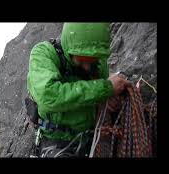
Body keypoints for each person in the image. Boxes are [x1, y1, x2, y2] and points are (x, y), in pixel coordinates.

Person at [27, 23, 130, 157]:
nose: (87, 67)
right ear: (69, 48)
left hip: (92, 134)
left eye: (92, 60)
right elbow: (49, 96)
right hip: (58, 140)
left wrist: (107, 100)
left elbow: (97, 93)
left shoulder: (98, 62)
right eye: (82, 59)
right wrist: (106, 88)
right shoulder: (43, 54)